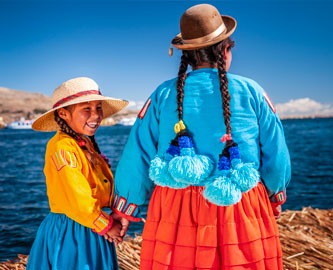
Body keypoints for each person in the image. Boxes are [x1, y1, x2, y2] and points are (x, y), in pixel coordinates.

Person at [113, 3, 291, 270]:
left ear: (187, 55)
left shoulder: (163, 93)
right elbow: (276, 154)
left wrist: (125, 208)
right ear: (225, 50)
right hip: (238, 200)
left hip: (176, 208)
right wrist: (275, 197)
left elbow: (139, 152)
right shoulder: (252, 91)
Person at [27, 77, 128, 270]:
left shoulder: (83, 144)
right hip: (74, 231)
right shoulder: (62, 147)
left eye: (98, 108)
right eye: (86, 109)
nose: (96, 115)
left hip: (88, 225)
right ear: (64, 113)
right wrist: (107, 225)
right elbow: (77, 198)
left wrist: (113, 215)